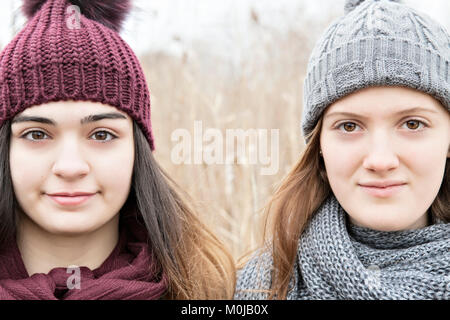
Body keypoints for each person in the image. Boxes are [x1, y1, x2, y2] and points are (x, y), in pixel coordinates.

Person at [0, 0, 235, 300]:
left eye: (101, 134)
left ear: (138, 150)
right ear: (4, 149)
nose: (71, 167)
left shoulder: (215, 292)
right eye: (36, 134)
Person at [235, 0, 449, 300]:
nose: (380, 160)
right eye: (349, 126)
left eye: (412, 124)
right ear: (319, 145)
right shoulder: (255, 288)